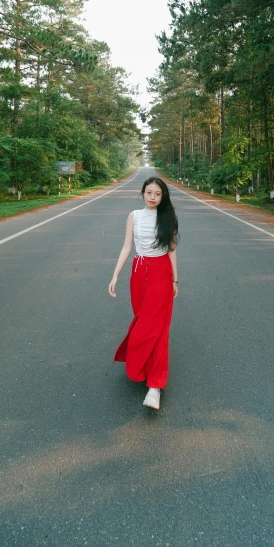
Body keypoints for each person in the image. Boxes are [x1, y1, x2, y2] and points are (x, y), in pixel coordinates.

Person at [109, 176, 179, 410]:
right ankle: (145, 366)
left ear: (163, 197)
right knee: (142, 322)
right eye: (149, 192)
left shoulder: (168, 217)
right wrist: (115, 274)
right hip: (139, 272)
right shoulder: (134, 216)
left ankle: (154, 386)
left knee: (157, 328)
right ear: (143, 193)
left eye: (158, 194)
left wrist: (175, 280)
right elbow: (127, 246)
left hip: (161, 272)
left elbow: (171, 251)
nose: (152, 197)